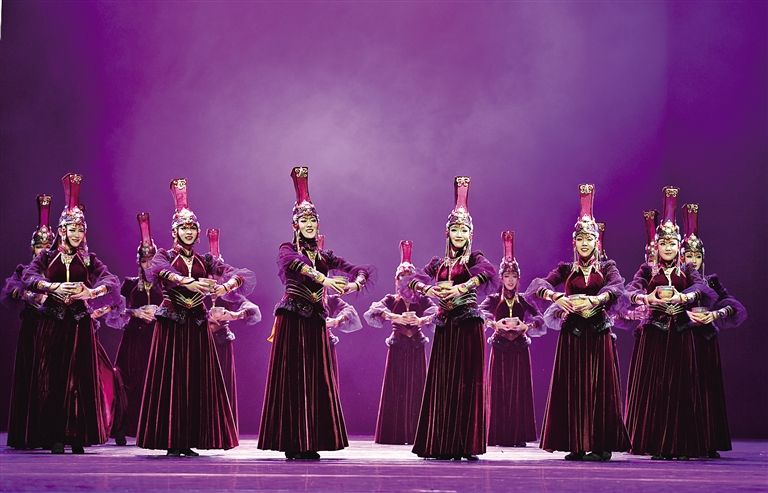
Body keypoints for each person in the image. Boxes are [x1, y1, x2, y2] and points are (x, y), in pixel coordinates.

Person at [258, 166, 372, 460]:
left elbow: (356, 269)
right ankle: (292, 441)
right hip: (293, 319)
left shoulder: (324, 255)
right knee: (294, 377)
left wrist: (354, 284)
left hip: (315, 321)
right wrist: (325, 280)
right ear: (295, 225)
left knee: (316, 378)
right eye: (304, 220)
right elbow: (297, 266)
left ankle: (312, 440)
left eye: (312, 220)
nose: (309, 224)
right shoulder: (287, 249)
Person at [137, 178, 248, 457]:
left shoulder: (205, 260)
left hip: (197, 324)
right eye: (183, 227)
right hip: (173, 325)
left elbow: (238, 274)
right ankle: (172, 439)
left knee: (196, 381)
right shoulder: (164, 255)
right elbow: (160, 273)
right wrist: (190, 283)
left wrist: (224, 287)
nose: (188, 231)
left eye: (192, 227)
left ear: (197, 233)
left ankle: (190, 439)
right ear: (175, 232)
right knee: (173, 380)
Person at [526, 184, 629, 461]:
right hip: (572, 335)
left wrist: (596, 300)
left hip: (598, 333)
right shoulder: (566, 269)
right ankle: (577, 443)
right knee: (573, 387)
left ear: (597, 241)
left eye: (589, 238)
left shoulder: (606, 267)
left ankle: (601, 446)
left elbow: (618, 288)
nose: (585, 243)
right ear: (574, 242)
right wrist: (556, 297)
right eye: (580, 239)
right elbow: (537, 286)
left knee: (599, 387)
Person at [22, 173, 121, 454]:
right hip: (53, 324)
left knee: (80, 380)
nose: (76, 234)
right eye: (72, 229)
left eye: (80, 230)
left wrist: (91, 292)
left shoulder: (88, 259)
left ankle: (78, 435)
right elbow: (28, 277)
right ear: (62, 230)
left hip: (79, 325)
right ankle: (54, 435)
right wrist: (52, 287)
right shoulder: (47, 257)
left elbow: (111, 280)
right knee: (52, 379)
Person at [407, 176, 496, 461]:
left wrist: (461, 287)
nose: (459, 234)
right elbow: (412, 279)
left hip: (468, 325)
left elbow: (488, 273)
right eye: (455, 229)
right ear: (448, 233)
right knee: (444, 384)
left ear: (470, 234)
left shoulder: (474, 259)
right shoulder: (438, 263)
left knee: (467, 384)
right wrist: (429, 289)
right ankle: (441, 443)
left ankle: (465, 445)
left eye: (464, 230)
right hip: (446, 326)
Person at [624, 186, 714, 460]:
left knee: (682, 388)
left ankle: (682, 444)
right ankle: (658, 444)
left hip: (682, 334)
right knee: (658, 389)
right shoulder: (647, 270)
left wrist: (683, 297)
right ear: (657, 246)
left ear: (678, 247)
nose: (668, 248)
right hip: (655, 335)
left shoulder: (687, 270)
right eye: (663, 243)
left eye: (672, 244)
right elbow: (629, 291)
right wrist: (648, 298)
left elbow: (704, 289)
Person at [681, 203, 747, 458]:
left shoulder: (711, 281)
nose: (693, 261)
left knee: (706, 390)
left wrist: (714, 315)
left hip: (705, 341)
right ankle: (683, 440)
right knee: (684, 390)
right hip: (682, 339)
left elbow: (734, 306)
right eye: (688, 256)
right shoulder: (676, 281)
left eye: (697, 256)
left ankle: (707, 440)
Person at [364, 240, 436, 445]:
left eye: (409, 279)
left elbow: (436, 312)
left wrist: (420, 320)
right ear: (396, 281)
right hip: (397, 346)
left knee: (418, 388)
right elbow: (373, 311)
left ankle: (416, 435)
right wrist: (393, 317)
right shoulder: (391, 299)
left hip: (416, 346)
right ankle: (394, 434)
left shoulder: (422, 300)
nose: (405, 282)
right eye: (402, 278)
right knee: (396, 389)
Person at [480, 231, 544, 448]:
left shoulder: (524, 299)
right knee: (499, 390)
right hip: (499, 348)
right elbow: (481, 313)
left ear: (518, 279)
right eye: (506, 276)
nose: (510, 280)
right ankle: (498, 435)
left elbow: (539, 318)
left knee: (518, 390)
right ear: (501, 278)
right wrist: (494, 324)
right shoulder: (493, 299)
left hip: (519, 349)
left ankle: (517, 434)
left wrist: (527, 326)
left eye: (513, 276)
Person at [3, 194, 55, 449]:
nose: (42, 251)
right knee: (30, 379)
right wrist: (26, 294)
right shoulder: (24, 270)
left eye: (47, 247)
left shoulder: (58, 271)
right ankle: (28, 434)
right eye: (38, 247)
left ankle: (53, 433)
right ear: (32, 248)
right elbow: (10, 289)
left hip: (54, 330)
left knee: (52, 381)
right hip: (32, 331)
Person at [205, 227, 260, 428]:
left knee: (222, 386)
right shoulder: (196, 291)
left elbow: (252, 309)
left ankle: (221, 427)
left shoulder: (228, 294)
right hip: (200, 341)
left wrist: (235, 315)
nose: (214, 278)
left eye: (218, 273)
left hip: (221, 343)